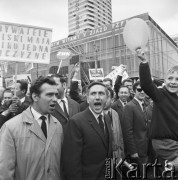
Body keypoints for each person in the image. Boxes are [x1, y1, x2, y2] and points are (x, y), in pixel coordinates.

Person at [0, 76, 63, 180]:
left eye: (56, 95)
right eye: (49, 95)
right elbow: (5, 172)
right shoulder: (11, 128)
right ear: (35, 97)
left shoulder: (58, 126)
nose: (55, 99)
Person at [137, 49, 178, 171]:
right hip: (165, 143)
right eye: (170, 78)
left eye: (177, 79)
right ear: (165, 81)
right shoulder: (160, 94)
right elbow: (146, 84)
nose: (173, 82)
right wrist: (144, 62)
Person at [63, 82, 113, 180]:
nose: (97, 97)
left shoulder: (107, 118)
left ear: (107, 98)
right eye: (93, 94)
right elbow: (72, 162)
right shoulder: (76, 122)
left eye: (101, 93)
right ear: (87, 98)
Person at [122, 81, 149, 177]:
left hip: (145, 149)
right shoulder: (129, 106)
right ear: (133, 91)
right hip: (137, 150)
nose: (142, 92)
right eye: (139, 90)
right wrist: (133, 151)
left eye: (144, 90)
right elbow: (127, 131)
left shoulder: (143, 105)